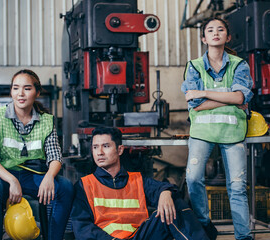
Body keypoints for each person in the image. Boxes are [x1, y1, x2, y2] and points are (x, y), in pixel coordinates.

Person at [181, 17, 254, 240]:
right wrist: (230, 99)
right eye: (210, 30)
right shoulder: (193, 66)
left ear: (227, 36)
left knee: (237, 187)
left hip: (232, 133)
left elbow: (241, 95)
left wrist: (203, 93)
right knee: (193, 179)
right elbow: (195, 104)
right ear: (204, 38)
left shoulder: (239, 64)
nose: (215, 33)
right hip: (202, 133)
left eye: (220, 29)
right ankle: (204, 225)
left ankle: (244, 236)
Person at [0, 69, 74, 240]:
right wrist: (12, 180)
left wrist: (49, 176)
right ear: (11, 91)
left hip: (33, 174)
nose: (20, 94)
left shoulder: (47, 120)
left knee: (65, 187)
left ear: (37, 92)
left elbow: (55, 155)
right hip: (2, 174)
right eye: (16, 88)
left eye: (27, 88)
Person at [71, 127, 210, 240]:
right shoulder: (84, 185)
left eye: (105, 146)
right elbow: (82, 228)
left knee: (174, 205)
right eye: (95, 147)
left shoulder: (137, 180)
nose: (99, 152)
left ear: (120, 150)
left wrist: (165, 193)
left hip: (140, 236)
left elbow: (162, 188)